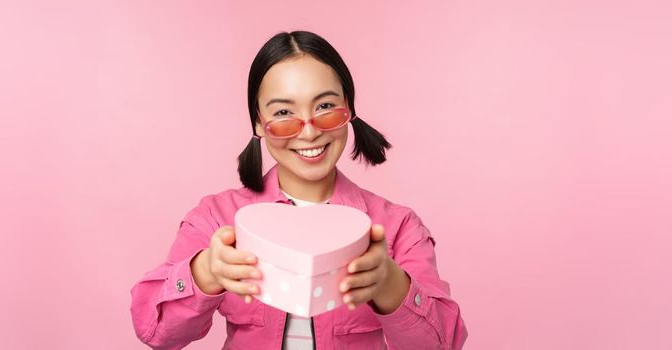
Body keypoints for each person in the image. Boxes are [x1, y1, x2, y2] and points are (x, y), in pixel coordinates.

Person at [130, 30, 468, 349]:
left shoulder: (397, 226)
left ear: (348, 108)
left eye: (324, 107)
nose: (308, 132)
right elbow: (154, 331)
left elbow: (443, 343)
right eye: (283, 112)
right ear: (259, 123)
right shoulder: (216, 219)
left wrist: (389, 283)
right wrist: (206, 271)